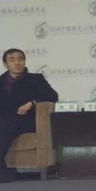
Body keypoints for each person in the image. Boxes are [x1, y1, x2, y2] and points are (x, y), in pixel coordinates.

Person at [0, 48, 58, 183]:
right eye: (12, 60)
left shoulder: (35, 79)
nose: (17, 63)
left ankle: (4, 173)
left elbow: (52, 96)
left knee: (6, 125)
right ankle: (4, 172)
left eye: (20, 59)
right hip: (5, 119)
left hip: (27, 120)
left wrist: (32, 103)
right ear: (5, 64)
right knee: (4, 124)